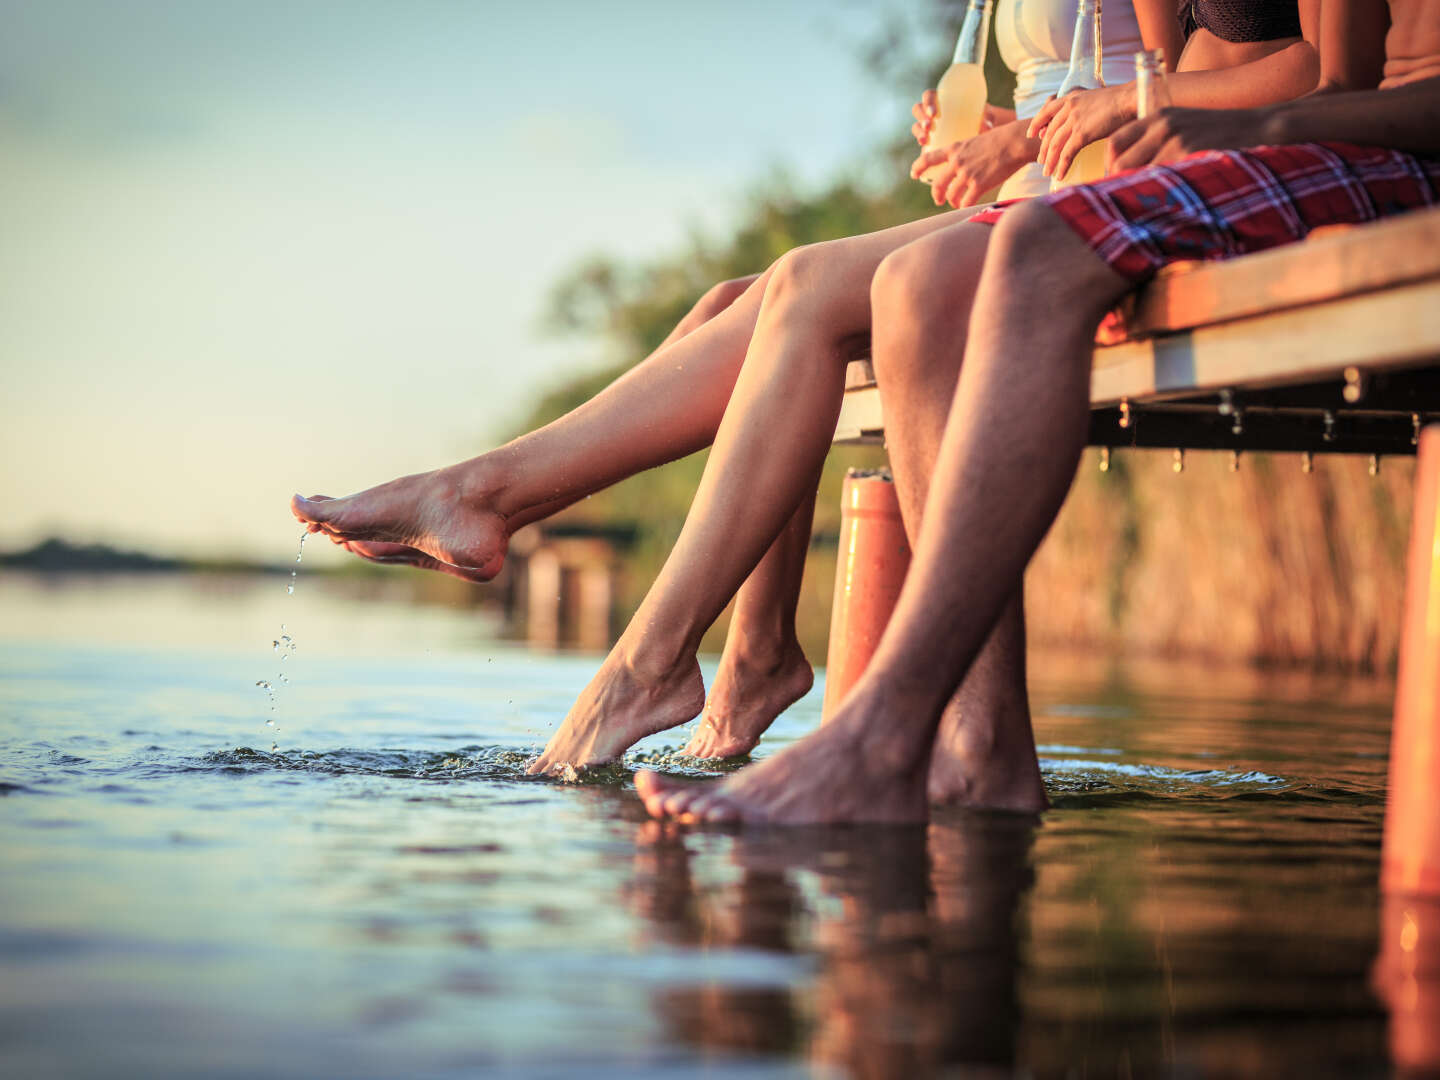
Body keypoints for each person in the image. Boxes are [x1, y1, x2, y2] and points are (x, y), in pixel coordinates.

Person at [635, 0, 1440, 825]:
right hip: (1248, 144)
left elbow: (1335, 79)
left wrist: (1192, 120)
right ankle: (962, 741)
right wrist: (1083, 126)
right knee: (894, 286)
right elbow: (1301, 74)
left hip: (1368, 162)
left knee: (992, 258)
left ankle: (877, 730)